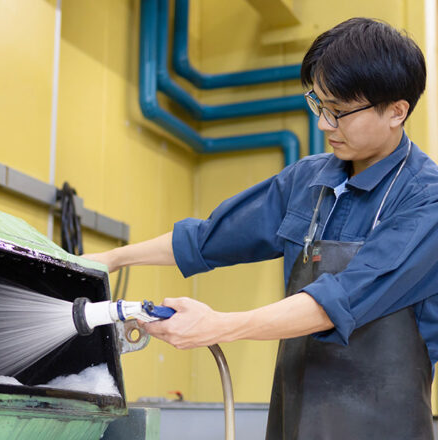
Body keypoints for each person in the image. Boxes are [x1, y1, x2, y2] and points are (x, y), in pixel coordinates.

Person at [84, 17, 438, 439]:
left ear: (397, 111)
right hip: (293, 423)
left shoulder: (425, 201)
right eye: (318, 104)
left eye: (339, 112)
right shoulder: (308, 181)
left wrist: (218, 325)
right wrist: (111, 258)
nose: (325, 123)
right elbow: (207, 238)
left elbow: (336, 301)